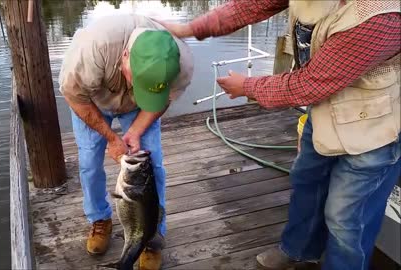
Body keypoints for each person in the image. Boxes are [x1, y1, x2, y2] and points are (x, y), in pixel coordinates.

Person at [157, 0, 401, 269]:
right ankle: (299, 250)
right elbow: (253, 6)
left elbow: (309, 84)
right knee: (306, 181)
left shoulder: (381, 17)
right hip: (322, 112)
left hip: (372, 128)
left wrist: (247, 87)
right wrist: (190, 28)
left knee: (347, 219)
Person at [58, 13, 193, 269]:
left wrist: (136, 131)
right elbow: (75, 97)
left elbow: (163, 99)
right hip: (93, 100)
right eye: (137, 81)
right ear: (125, 56)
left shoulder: (181, 63)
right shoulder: (93, 49)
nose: (135, 88)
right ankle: (100, 218)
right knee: (88, 161)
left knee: (152, 160)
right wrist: (111, 138)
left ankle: (151, 236)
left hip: (142, 108)